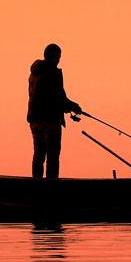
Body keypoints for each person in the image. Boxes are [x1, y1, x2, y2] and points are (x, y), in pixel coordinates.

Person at [27, 43, 82, 179]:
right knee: (52, 155)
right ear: (53, 56)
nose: (59, 60)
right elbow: (59, 98)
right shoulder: (53, 73)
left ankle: (36, 185)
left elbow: (49, 96)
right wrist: (75, 107)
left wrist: (69, 108)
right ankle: (52, 189)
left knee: (38, 155)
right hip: (50, 121)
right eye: (58, 56)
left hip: (34, 120)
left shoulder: (34, 73)